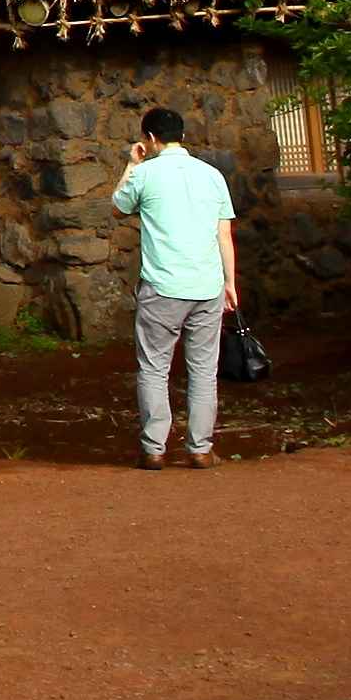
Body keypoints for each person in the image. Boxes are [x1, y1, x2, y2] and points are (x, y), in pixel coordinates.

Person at [111, 107, 240, 467]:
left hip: (162, 287)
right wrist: (229, 283)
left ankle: (154, 449)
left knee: (154, 368)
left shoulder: (146, 173)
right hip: (207, 285)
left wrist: (132, 165)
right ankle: (200, 448)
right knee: (203, 369)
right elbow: (224, 233)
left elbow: (119, 206)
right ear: (181, 136)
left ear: (149, 139)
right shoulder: (211, 175)